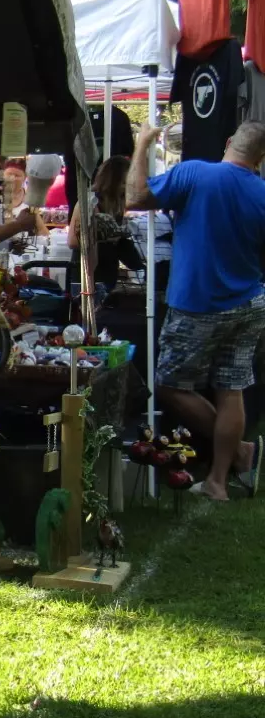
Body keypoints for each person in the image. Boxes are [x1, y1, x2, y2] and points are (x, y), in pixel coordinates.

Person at [127, 120, 265, 501]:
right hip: (249, 301)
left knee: (170, 385)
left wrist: (142, 144)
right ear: (260, 158)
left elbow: (136, 197)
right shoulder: (262, 192)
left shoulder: (196, 173)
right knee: (231, 388)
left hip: (198, 304)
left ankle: (238, 453)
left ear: (228, 142)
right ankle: (220, 479)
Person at [68, 156, 142, 291]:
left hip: (107, 274)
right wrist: (106, 236)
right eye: (126, 181)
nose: (130, 185)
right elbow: (73, 241)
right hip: (87, 275)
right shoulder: (89, 202)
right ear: (113, 180)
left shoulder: (117, 204)